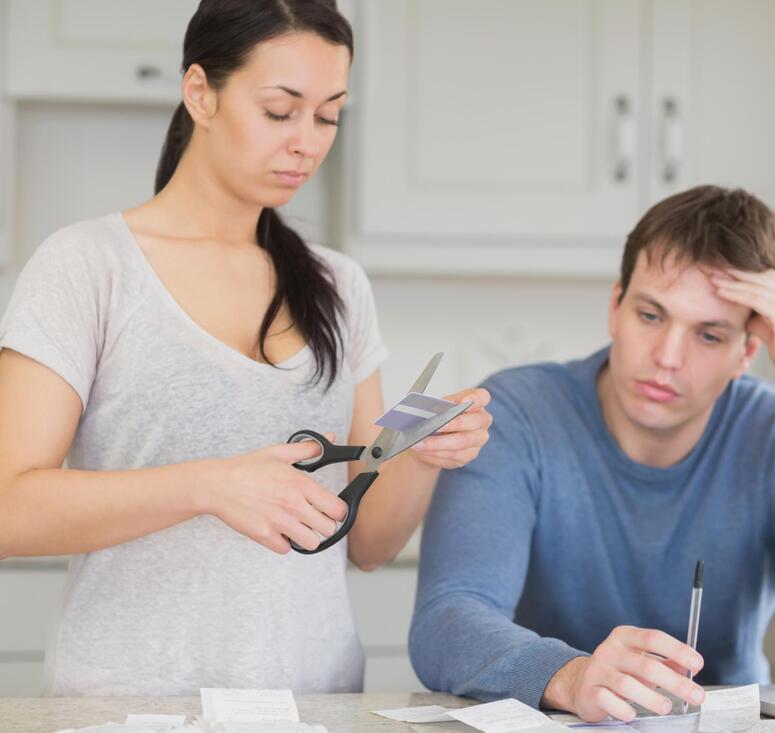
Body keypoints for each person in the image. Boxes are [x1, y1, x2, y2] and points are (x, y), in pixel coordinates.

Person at [0, 0, 491, 697]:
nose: (308, 143)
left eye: (328, 115)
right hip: (125, 706)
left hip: (313, 701)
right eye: (280, 110)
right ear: (200, 92)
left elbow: (370, 544)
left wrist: (424, 446)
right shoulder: (87, 266)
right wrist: (209, 485)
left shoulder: (339, 286)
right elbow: (8, 509)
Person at [409, 185, 775, 722]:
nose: (666, 358)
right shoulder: (518, 414)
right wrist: (573, 676)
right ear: (616, 306)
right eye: (651, 316)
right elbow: (448, 620)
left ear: (747, 351)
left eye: (708, 335)